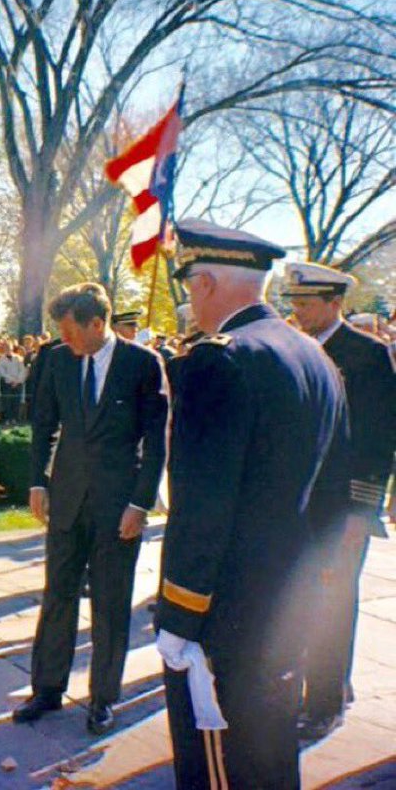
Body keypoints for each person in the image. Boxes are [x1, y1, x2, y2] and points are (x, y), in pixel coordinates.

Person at [156, 221, 346, 790]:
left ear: (207, 282)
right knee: (270, 752)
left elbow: (201, 507)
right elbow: (332, 493)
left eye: (191, 286)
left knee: (220, 765)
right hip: (287, 598)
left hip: (224, 611)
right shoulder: (314, 356)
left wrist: (180, 615)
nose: (191, 301)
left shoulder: (220, 360)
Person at [13, 283, 168, 735]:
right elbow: (44, 424)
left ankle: (102, 698)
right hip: (67, 500)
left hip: (118, 507)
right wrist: (38, 481)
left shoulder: (142, 364)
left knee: (110, 603)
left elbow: (157, 442)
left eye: (69, 330)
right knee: (57, 596)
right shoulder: (59, 360)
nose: (63, 339)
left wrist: (140, 503)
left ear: (97, 324)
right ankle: (47, 689)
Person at [283, 261, 396, 740]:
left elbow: (379, 442)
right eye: (294, 303)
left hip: (341, 507)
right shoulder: (293, 348)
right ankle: (332, 683)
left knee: (332, 601)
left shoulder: (367, 355)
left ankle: (324, 705)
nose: (298, 312)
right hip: (299, 503)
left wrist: (361, 513)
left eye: (306, 303)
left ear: (335, 304)